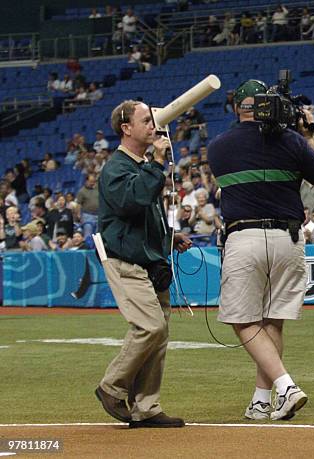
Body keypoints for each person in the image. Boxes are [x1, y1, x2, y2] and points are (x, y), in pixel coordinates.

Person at [208, 79, 314, 421]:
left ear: (238, 107)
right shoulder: (291, 140)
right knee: (271, 322)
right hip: (288, 239)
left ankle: (286, 387)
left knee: (242, 320)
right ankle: (262, 401)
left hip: (244, 236)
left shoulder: (218, 146)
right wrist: (305, 135)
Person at [95, 99, 192, 429]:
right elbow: (134, 201)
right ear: (127, 128)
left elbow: (147, 213)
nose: (155, 125)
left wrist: (169, 237)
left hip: (150, 260)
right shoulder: (117, 167)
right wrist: (158, 164)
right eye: (147, 120)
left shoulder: (137, 166)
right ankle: (111, 387)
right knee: (150, 326)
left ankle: (146, 407)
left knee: (160, 333)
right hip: (126, 260)